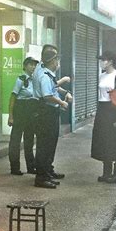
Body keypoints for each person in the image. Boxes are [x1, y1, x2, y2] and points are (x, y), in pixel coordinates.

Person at [32, 45, 73, 189]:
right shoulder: (43, 75)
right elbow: (47, 95)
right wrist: (62, 102)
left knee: (50, 143)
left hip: (49, 112)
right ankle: (41, 177)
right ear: (52, 61)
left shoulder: (47, 73)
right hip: (45, 112)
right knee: (44, 145)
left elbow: (54, 87)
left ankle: (47, 172)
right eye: (57, 60)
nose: (58, 63)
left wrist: (65, 93)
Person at [91, 50, 116, 184]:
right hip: (102, 109)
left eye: (103, 59)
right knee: (104, 140)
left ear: (111, 61)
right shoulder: (102, 75)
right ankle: (107, 173)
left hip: (114, 110)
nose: (101, 62)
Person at [8, 57, 39, 175]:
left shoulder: (34, 80)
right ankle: (14, 168)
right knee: (15, 140)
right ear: (25, 66)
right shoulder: (20, 79)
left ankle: (31, 167)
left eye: (34, 65)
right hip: (20, 110)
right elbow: (13, 98)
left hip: (30, 112)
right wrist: (11, 116)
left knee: (29, 140)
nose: (33, 67)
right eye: (31, 65)